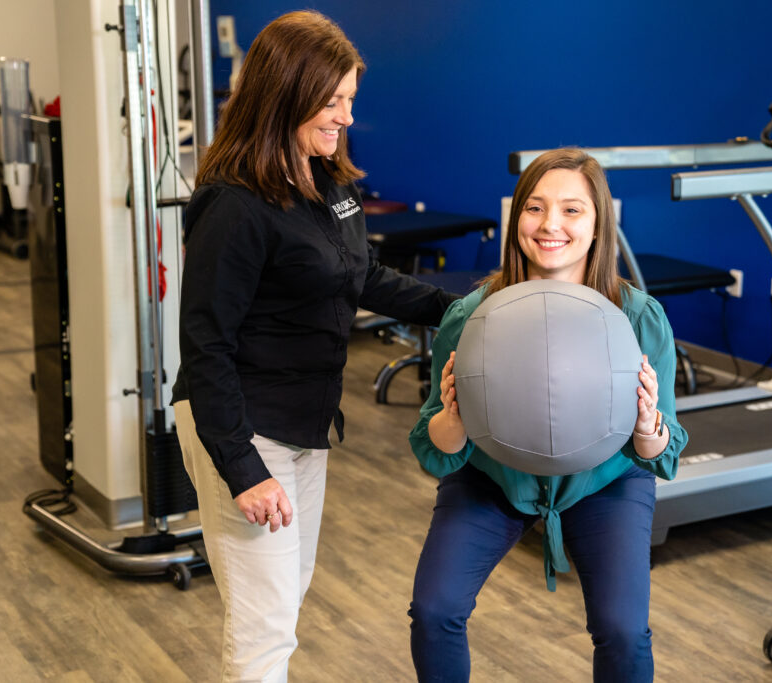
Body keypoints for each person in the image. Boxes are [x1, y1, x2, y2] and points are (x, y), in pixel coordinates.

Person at [171, 11, 458, 682]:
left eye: (350, 102)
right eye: (333, 102)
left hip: (305, 423)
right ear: (286, 94)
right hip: (244, 424)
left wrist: (461, 307)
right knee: (265, 627)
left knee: (282, 602)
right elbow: (204, 344)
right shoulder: (235, 205)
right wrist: (242, 468)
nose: (345, 118)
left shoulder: (327, 179)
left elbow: (362, 277)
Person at [407, 148, 688, 682]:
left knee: (624, 630)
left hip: (605, 483)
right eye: (534, 208)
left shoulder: (640, 318)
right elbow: (432, 446)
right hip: (492, 478)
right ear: (517, 219)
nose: (550, 225)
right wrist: (453, 420)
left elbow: (663, 452)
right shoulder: (470, 317)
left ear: (600, 222)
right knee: (435, 611)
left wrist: (648, 426)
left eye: (572, 210)